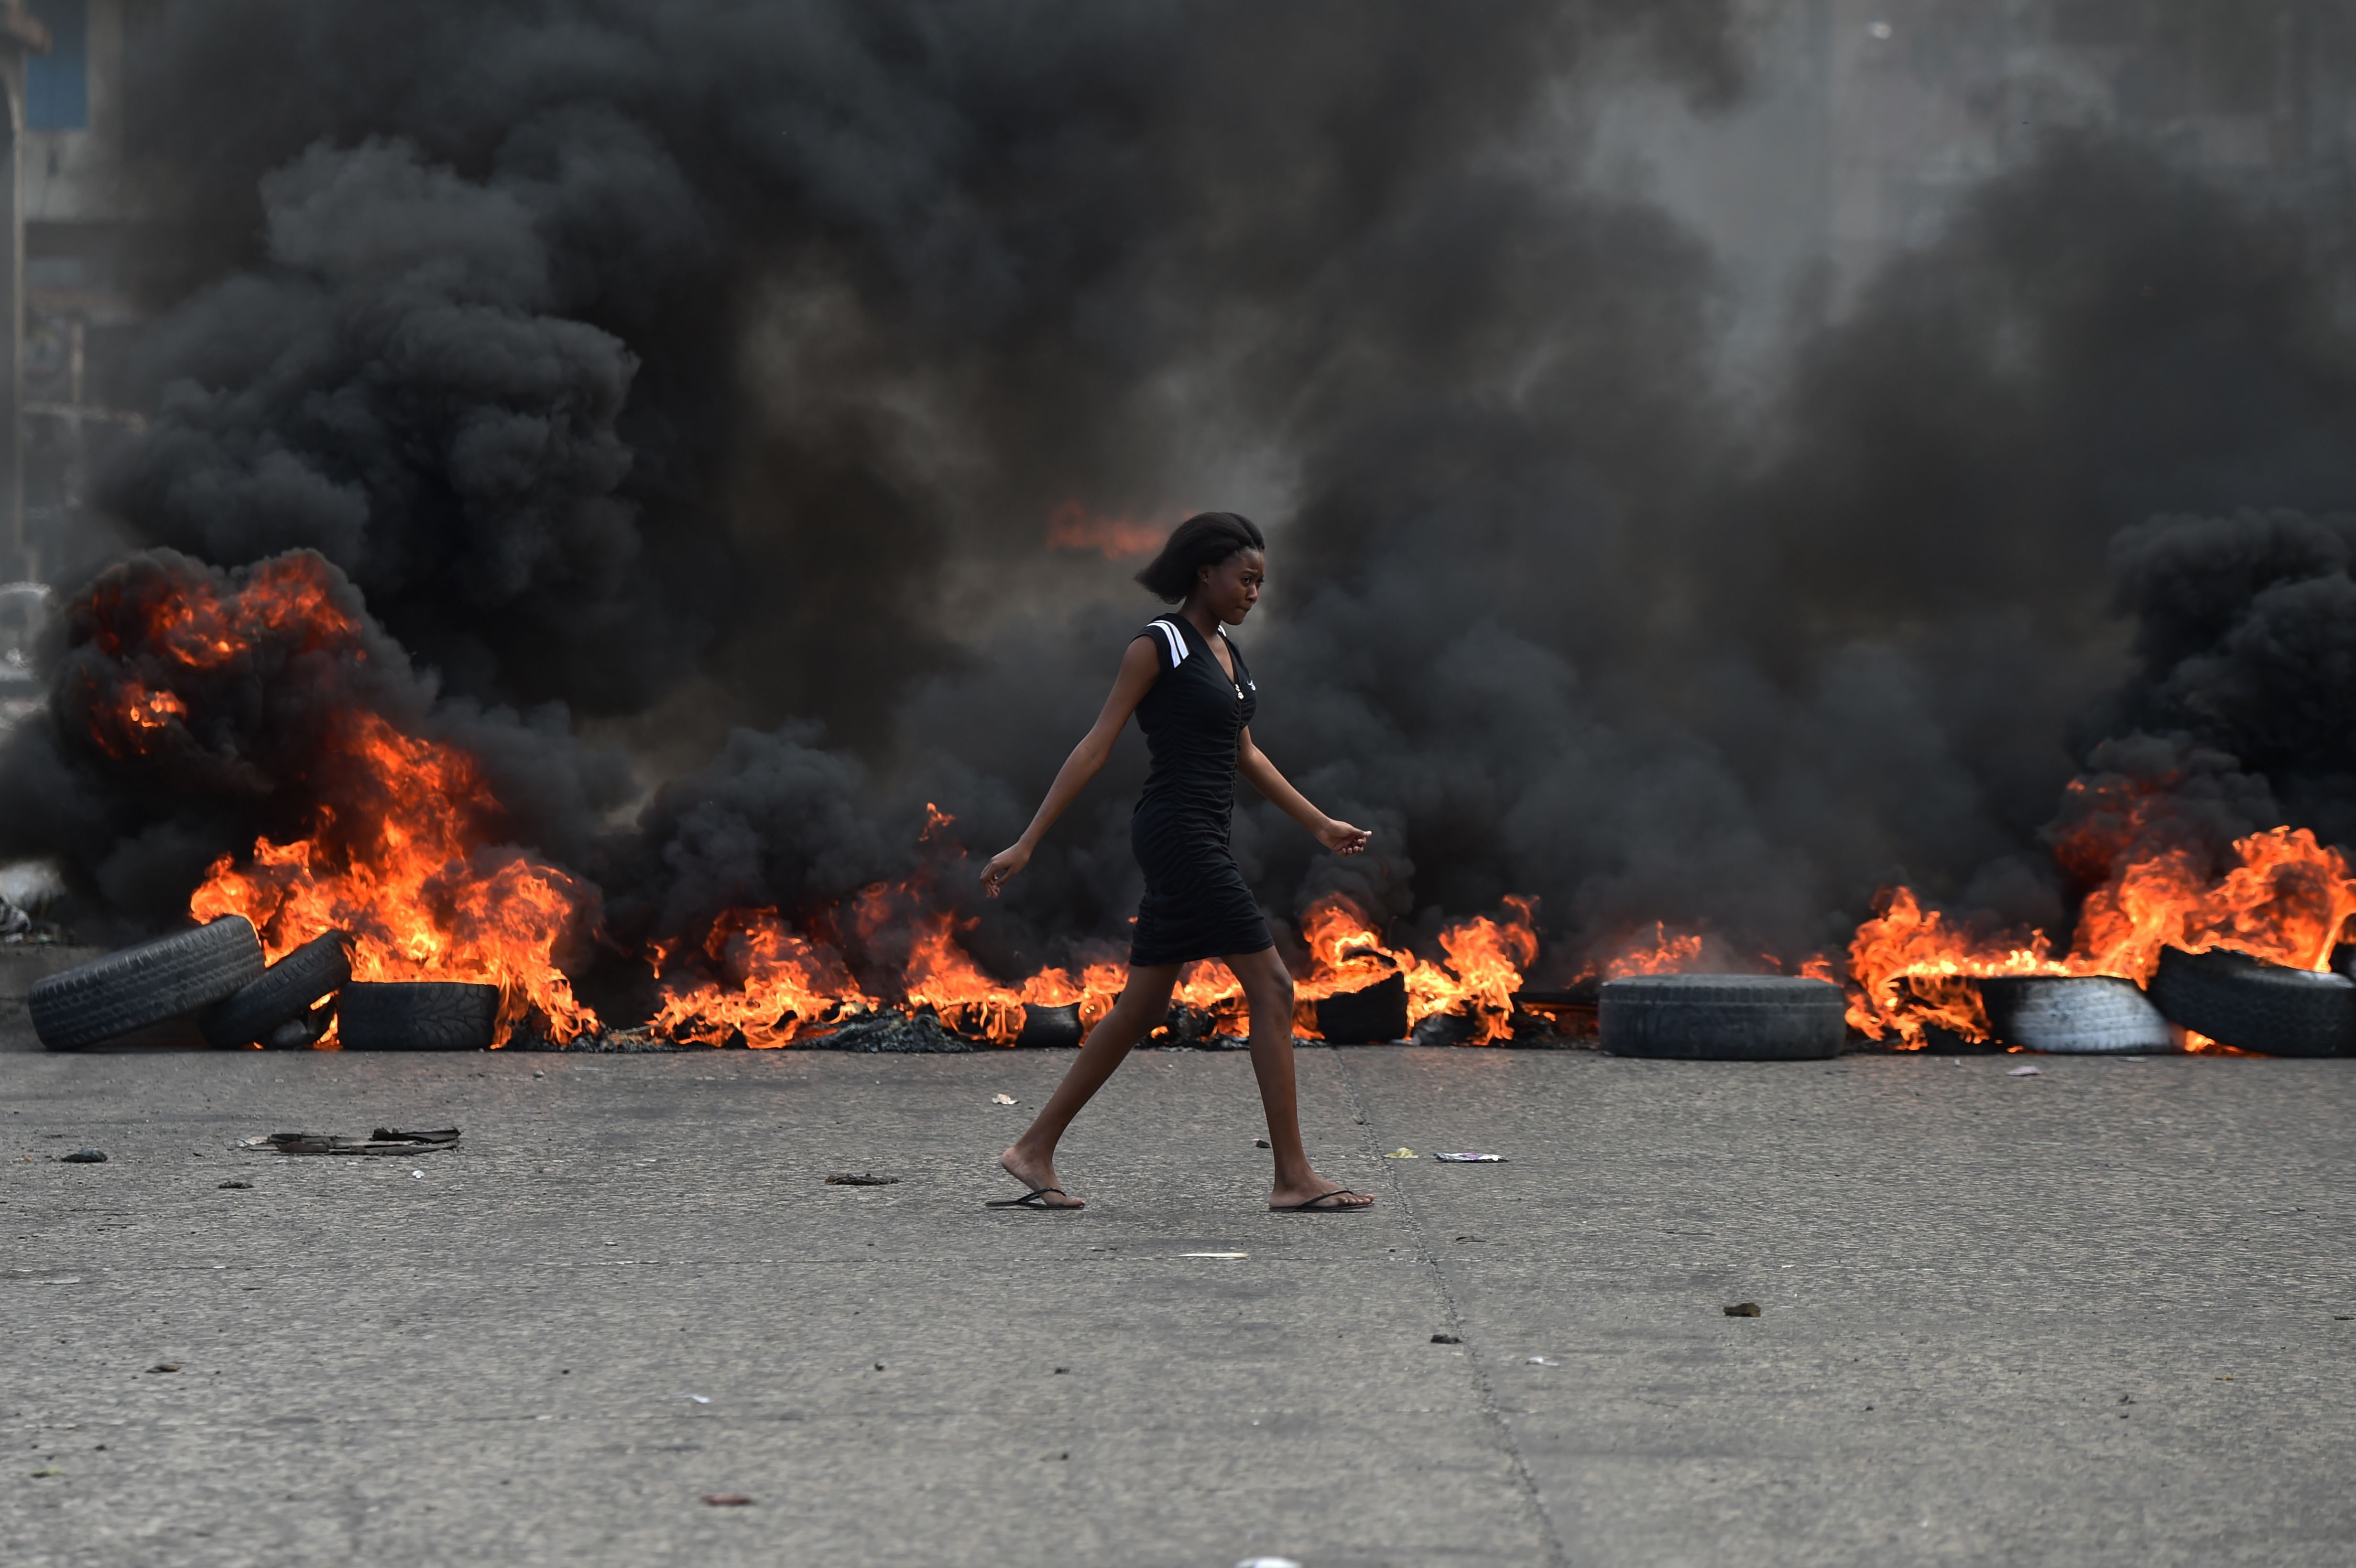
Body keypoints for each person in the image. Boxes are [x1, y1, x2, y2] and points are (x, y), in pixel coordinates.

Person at [979, 511, 1376, 1212]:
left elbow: (1245, 753)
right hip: (1178, 836)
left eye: (1261, 583)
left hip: (1203, 836)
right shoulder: (1158, 644)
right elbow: (1096, 746)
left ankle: (1032, 1150)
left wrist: (1318, 824)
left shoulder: (1228, 652)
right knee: (1275, 987)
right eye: (1245, 579)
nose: (1254, 593)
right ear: (1205, 573)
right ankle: (1292, 1178)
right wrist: (1029, 840)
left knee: (1141, 1006)